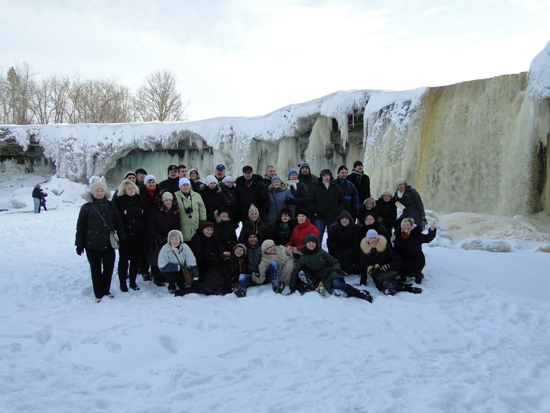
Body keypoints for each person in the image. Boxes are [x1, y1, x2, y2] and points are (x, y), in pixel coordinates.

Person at [75, 179, 126, 302]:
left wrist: (122, 238)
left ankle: (106, 290)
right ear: (92, 192)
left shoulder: (110, 205)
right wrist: (79, 244)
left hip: (108, 243)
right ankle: (98, 294)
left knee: (108, 269)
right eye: (97, 191)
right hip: (92, 245)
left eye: (102, 190)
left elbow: (118, 223)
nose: (100, 193)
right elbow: (81, 226)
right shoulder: (86, 207)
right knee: (96, 270)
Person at [289, 234, 372, 302]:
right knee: (333, 291)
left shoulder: (321, 252)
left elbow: (335, 262)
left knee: (337, 283)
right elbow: (295, 272)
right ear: (306, 244)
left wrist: (335, 271)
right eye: (309, 242)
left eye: (313, 242)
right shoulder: (303, 258)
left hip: (331, 273)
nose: (311, 244)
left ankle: (360, 294)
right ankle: (345, 294)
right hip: (322, 280)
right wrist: (292, 287)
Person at [359, 229, 421, 296]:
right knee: (383, 283)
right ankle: (401, 287)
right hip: (377, 274)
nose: (373, 240)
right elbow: (363, 267)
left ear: (377, 238)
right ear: (367, 240)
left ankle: (402, 288)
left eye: (374, 238)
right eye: (370, 238)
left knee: (389, 281)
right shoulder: (364, 251)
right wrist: (363, 282)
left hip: (389, 272)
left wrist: (388, 265)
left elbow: (399, 261)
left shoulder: (385, 247)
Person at [114, 179, 144, 292]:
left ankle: (133, 281)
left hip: (137, 233)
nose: (131, 190)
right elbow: (117, 218)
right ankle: (123, 283)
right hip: (125, 234)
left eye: (132, 188)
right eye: (129, 188)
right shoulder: (119, 200)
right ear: (124, 190)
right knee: (124, 259)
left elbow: (143, 215)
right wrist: (125, 213)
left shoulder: (139, 199)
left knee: (135, 259)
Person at [146, 190, 181, 286]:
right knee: (158, 258)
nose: (168, 202)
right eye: (166, 200)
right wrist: (156, 236)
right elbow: (151, 224)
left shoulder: (175, 211)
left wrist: (173, 236)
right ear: (162, 201)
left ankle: (166, 276)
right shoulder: (155, 210)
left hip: (170, 238)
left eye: (170, 200)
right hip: (158, 238)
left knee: (169, 258)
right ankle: (157, 278)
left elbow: (177, 224)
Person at [393, 217, 437, 284]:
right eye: (404, 225)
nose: (406, 227)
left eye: (408, 225)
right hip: (404, 259)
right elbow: (396, 248)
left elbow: (427, 238)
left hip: (416, 260)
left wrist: (432, 231)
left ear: (411, 226)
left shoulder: (416, 234)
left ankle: (418, 274)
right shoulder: (398, 236)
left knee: (413, 270)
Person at [307, 169, 346, 242]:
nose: (326, 177)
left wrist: (338, 210)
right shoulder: (316, 188)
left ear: (330, 176)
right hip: (320, 217)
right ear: (321, 177)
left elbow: (343, 201)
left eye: (328, 175)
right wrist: (316, 210)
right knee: (317, 238)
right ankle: (318, 250)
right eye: (324, 175)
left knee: (333, 239)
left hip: (333, 217)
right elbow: (309, 202)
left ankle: (332, 250)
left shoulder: (336, 187)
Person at [158, 230, 199, 295]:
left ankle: (180, 284)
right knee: (172, 276)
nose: (175, 241)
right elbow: (162, 265)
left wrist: (195, 277)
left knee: (182, 278)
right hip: (170, 270)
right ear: (169, 240)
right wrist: (177, 268)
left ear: (180, 239)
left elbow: (191, 261)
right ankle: (171, 287)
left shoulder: (185, 247)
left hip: (183, 269)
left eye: (177, 238)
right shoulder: (165, 249)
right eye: (172, 239)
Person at [138, 174, 160, 280]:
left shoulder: (160, 192)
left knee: (155, 248)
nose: (151, 184)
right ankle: (144, 270)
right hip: (144, 224)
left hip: (157, 223)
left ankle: (155, 271)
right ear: (145, 183)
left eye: (153, 182)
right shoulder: (140, 193)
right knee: (145, 248)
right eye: (149, 182)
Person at [327, 210, 362, 275]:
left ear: (349, 220)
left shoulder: (354, 229)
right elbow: (330, 241)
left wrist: (346, 254)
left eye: (346, 218)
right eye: (342, 219)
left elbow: (356, 245)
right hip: (338, 252)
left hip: (351, 253)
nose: (344, 220)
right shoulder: (335, 229)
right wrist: (334, 251)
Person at [174, 177, 207, 242]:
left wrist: (202, 220)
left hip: (195, 223)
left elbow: (202, 208)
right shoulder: (175, 196)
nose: (186, 187)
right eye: (184, 185)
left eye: (187, 185)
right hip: (181, 223)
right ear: (180, 187)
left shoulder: (196, 195)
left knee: (195, 240)